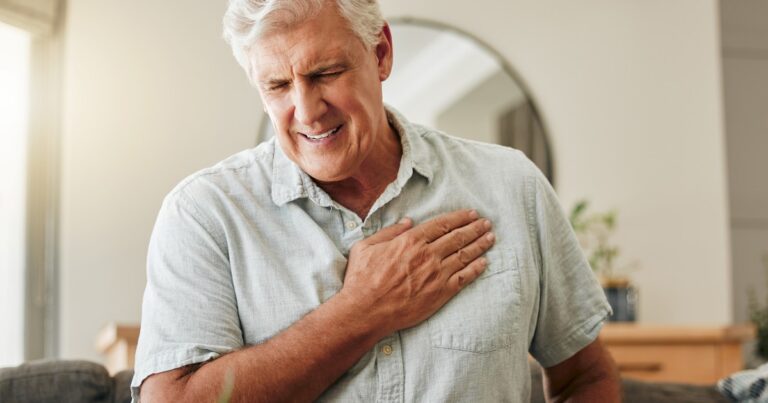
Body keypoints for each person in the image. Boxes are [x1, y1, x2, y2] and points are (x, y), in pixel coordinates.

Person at [131, 0, 620, 401]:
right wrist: (361, 311)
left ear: (381, 52)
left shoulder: (511, 186)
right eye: (277, 85)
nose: (306, 111)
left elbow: (586, 378)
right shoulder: (205, 214)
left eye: (325, 73)